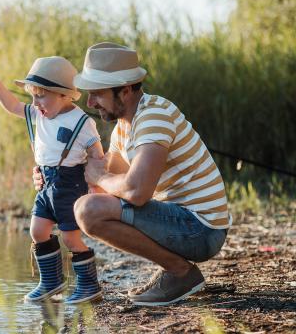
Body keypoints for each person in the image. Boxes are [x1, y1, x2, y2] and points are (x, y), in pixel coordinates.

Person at [32, 42, 230, 306]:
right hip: (182, 221)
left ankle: (180, 272)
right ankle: (176, 271)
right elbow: (107, 190)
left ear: (124, 91)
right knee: (89, 208)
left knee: (88, 211)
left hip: (201, 229)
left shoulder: (153, 116)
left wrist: (99, 178)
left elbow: (135, 192)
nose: (90, 102)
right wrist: (53, 177)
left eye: (97, 94)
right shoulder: (123, 128)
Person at [0, 56, 104, 304]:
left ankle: (89, 285)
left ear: (63, 95)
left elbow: (97, 155)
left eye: (41, 95)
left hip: (71, 185)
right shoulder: (39, 115)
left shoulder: (81, 122)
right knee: (37, 230)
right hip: (46, 185)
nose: (35, 103)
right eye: (33, 96)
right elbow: (14, 106)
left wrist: (96, 186)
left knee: (70, 237)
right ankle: (51, 282)